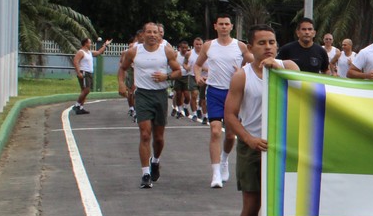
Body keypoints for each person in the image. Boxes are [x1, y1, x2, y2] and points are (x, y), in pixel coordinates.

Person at [224, 25, 298, 216]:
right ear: (251, 47)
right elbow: (231, 116)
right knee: (252, 204)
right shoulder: (242, 76)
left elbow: (305, 93)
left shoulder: (289, 67)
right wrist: (248, 139)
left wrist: (277, 70)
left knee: (280, 200)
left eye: (272, 42)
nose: (268, 47)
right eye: (262, 43)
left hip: (283, 145)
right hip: (253, 144)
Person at [117, 23, 183, 189]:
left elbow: (179, 72)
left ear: (159, 35)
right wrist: (121, 84)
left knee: (159, 138)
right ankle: (145, 174)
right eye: (149, 32)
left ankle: (155, 161)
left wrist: (166, 76)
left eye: (155, 32)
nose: (152, 35)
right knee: (145, 134)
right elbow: (122, 68)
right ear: (143, 34)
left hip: (160, 95)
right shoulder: (134, 51)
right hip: (143, 95)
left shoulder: (166, 51)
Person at [193, 14, 253, 188]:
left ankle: (224, 159)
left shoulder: (239, 46)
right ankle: (216, 173)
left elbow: (255, 63)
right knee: (215, 131)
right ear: (215, 26)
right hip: (214, 92)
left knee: (230, 135)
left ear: (231, 26)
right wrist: (198, 76)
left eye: (227, 24)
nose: (224, 27)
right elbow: (197, 65)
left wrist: (242, 71)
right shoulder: (208, 46)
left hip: (233, 93)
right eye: (221, 24)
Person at [72, 36, 109, 114]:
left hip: (89, 73)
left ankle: (80, 108)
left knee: (85, 91)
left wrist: (105, 45)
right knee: (86, 90)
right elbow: (75, 61)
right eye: (89, 42)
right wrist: (79, 72)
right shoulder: (81, 52)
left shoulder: (89, 52)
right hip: (84, 72)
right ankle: (77, 105)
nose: (91, 44)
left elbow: (99, 52)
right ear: (85, 43)